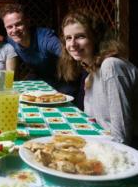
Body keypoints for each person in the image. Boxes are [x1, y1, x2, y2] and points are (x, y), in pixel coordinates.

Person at [59, 8, 138, 147]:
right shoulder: (90, 76)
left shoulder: (111, 66)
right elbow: (92, 122)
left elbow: (122, 137)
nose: (72, 44)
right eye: (68, 38)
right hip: (103, 144)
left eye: (80, 36)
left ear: (96, 37)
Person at [0, 3, 80, 99]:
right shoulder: (10, 40)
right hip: (41, 78)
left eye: (19, 24)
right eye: (9, 27)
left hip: (63, 79)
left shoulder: (45, 38)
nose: (14, 30)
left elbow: (70, 54)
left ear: (28, 22)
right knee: (19, 94)